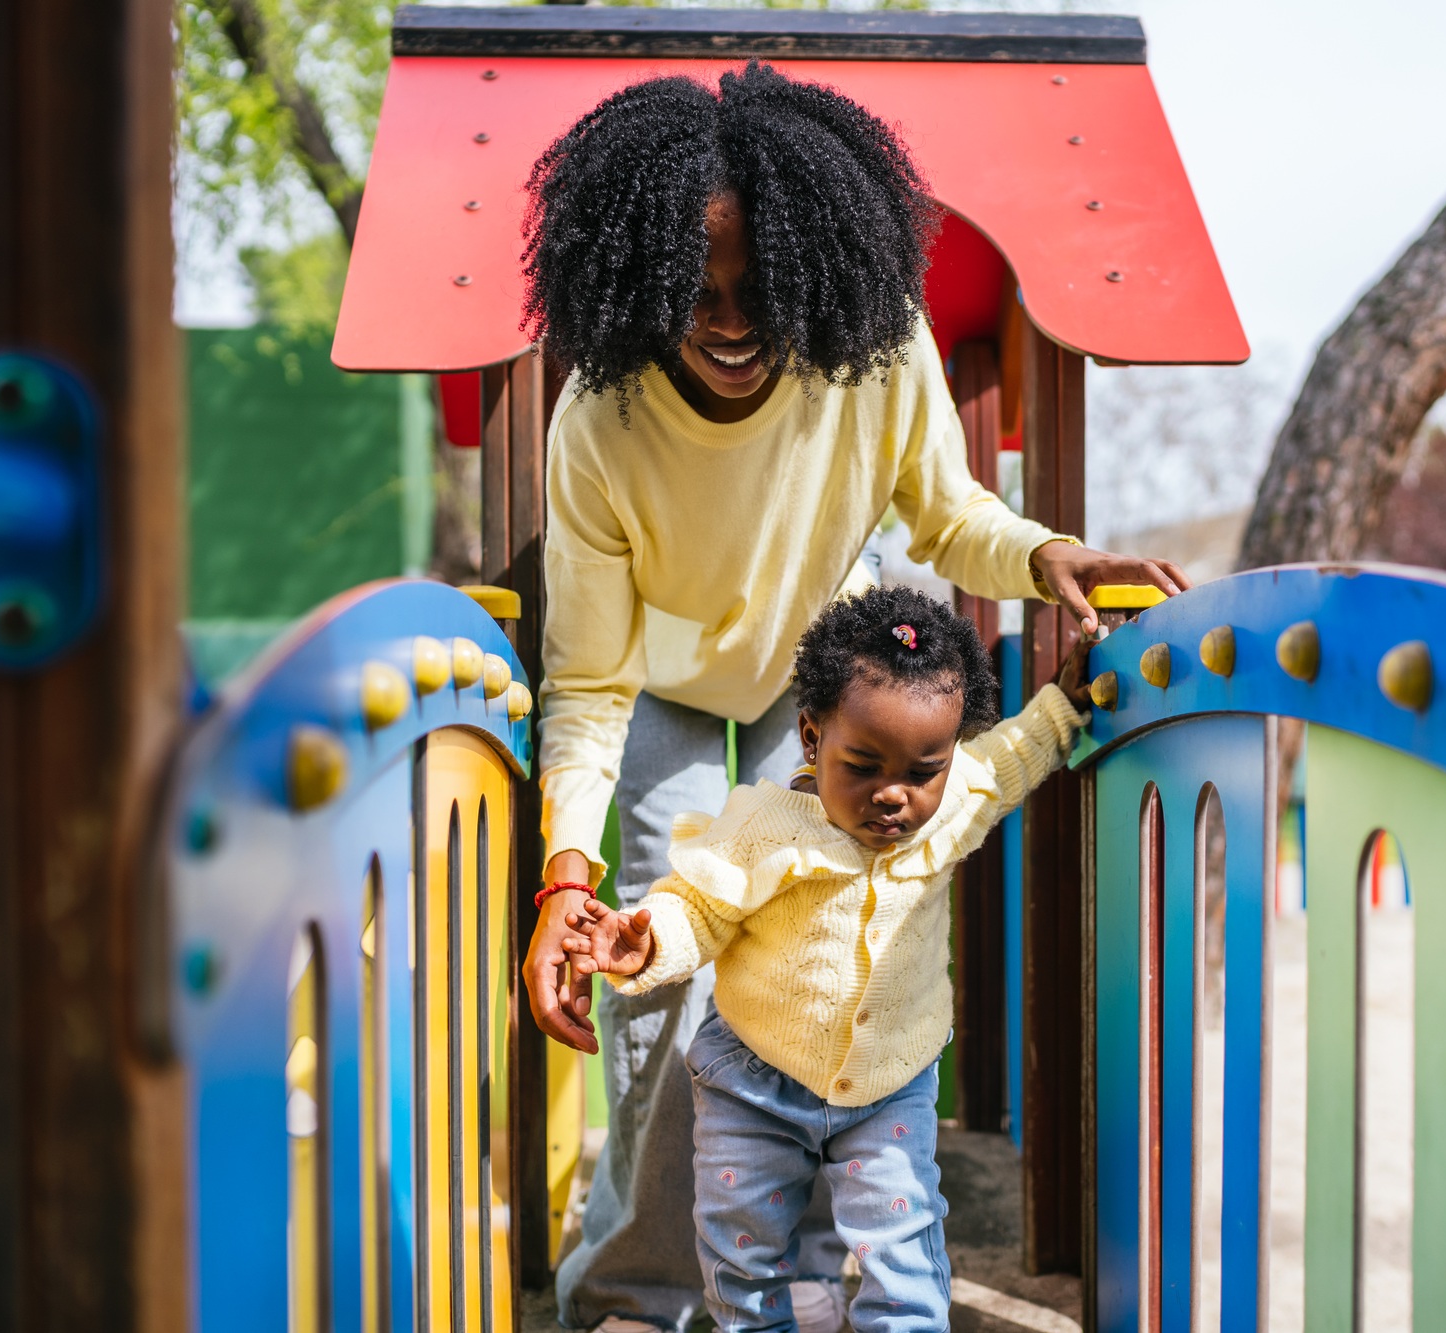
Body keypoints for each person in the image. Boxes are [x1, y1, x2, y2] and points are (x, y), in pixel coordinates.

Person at [520, 60, 1188, 1333]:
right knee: (664, 958)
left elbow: (947, 514)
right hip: (664, 681)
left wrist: (1044, 553)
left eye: (759, 289)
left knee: (805, 945)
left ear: (817, 272)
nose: (728, 321)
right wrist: (565, 876)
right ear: (644, 282)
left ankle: (798, 1259)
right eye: (696, 293)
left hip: (817, 685)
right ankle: (632, 1290)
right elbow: (592, 683)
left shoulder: (873, 353)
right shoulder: (601, 418)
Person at [560, 587, 1096, 1333]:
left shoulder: (951, 800)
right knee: (741, 1253)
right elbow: (701, 907)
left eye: (922, 771)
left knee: (902, 1250)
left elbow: (1007, 761)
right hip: (752, 1083)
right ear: (811, 740)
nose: (894, 796)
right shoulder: (765, 825)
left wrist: (1064, 707)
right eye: (865, 764)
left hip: (889, 1084)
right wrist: (648, 940)